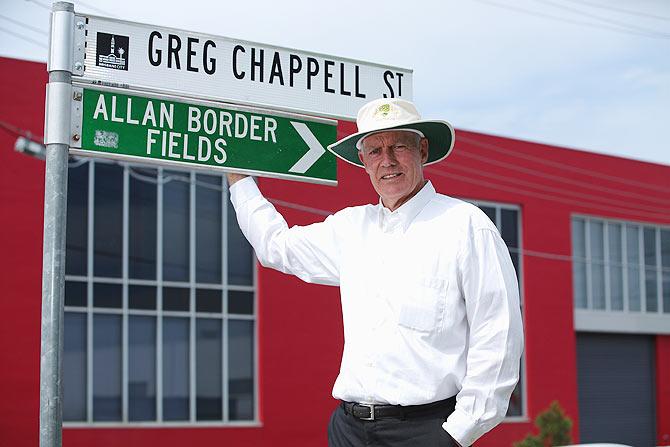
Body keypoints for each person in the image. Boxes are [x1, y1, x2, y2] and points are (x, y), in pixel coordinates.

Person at [226, 98, 524, 447]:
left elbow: (498, 335)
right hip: (348, 430)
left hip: (426, 432)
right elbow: (278, 247)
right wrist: (239, 180)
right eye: (375, 150)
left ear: (422, 150)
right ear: (363, 161)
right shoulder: (351, 228)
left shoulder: (467, 227)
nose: (388, 161)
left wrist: (458, 433)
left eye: (399, 146)